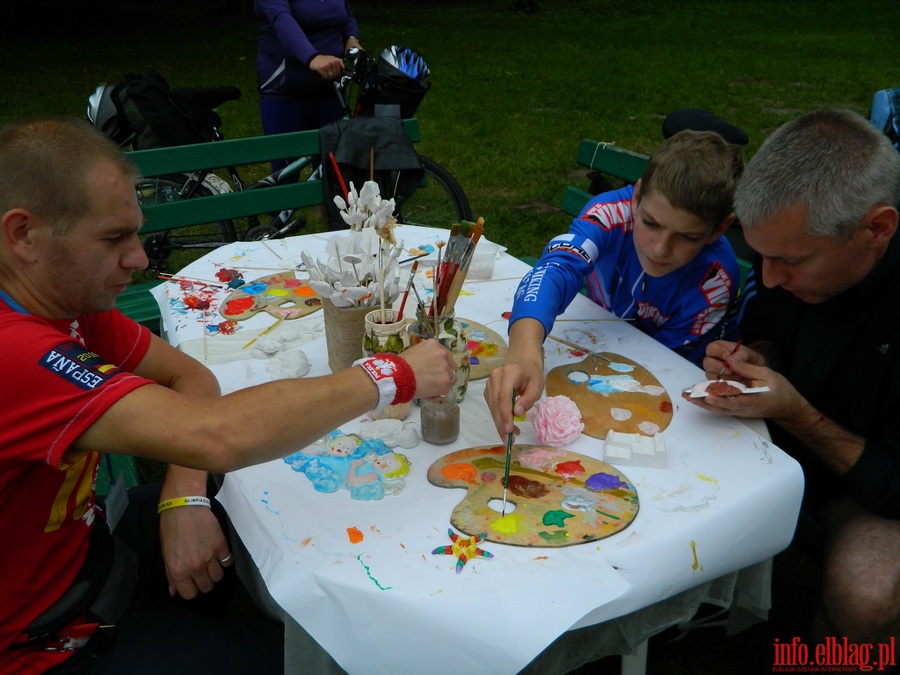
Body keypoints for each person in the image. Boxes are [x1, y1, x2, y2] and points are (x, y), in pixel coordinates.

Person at [0, 117, 456, 673]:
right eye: (113, 238)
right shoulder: (16, 352)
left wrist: (182, 495)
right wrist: (390, 374)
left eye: (135, 233)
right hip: (43, 646)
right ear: (23, 235)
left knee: (236, 507)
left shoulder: (63, 305)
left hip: (82, 554)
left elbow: (192, 378)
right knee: (300, 658)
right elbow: (217, 435)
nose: (140, 258)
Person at [684, 108, 900, 645]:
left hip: (878, 485)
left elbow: (894, 488)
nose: (771, 278)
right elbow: (770, 331)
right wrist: (755, 360)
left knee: (865, 593)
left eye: (792, 261)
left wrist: (796, 412)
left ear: (877, 228)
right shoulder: (789, 255)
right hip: (803, 443)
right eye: (760, 258)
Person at [485, 129, 744, 438]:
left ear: (720, 229)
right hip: (600, 352)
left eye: (688, 237)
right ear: (636, 197)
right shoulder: (609, 215)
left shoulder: (714, 281)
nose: (660, 249)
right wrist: (524, 352)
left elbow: (666, 374)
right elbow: (556, 269)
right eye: (650, 223)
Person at [255, 0, 362, 170]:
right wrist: (312, 57)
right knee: (286, 172)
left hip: (331, 87)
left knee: (334, 172)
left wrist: (351, 37)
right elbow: (281, 18)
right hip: (286, 89)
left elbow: (346, 13)